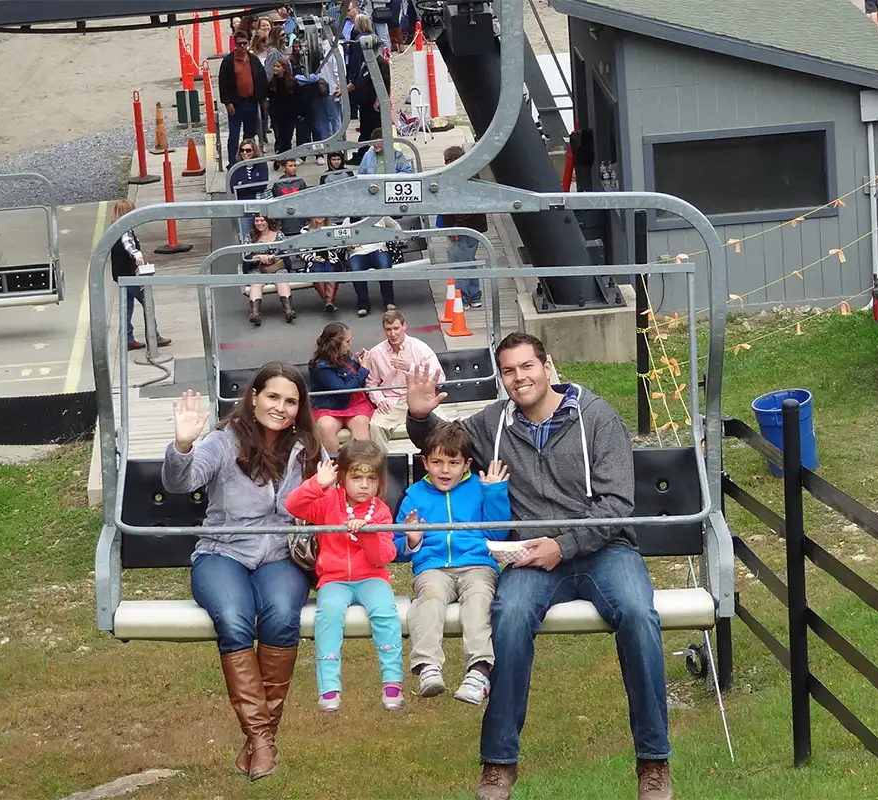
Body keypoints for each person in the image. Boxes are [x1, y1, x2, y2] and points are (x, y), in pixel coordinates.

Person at [404, 332, 674, 800]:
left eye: (527, 367)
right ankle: (499, 763)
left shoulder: (597, 418)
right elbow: (443, 448)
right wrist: (420, 415)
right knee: (507, 617)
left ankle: (653, 761)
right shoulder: (494, 424)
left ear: (548, 367)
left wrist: (563, 545)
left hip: (604, 548)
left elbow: (616, 506)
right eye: (508, 371)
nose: (518, 378)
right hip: (529, 553)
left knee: (637, 612)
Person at [161, 364, 323, 783]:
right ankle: (262, 738)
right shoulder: (223, 440)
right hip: (223, 552)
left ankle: (259, 739)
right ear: (254, 397)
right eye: (273, 397)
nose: (281, 408)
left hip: (280, 555)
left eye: (291, 401)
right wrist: (182, 445)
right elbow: (183, 481)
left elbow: (328, 498)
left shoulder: (306, 448)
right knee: (234, 620)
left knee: (282, 616)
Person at [394, 422, 510, 703]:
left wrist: (494, 493)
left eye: (453, 463)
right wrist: (411, 540)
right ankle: (427, 666)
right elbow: (396, 548)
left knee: (480, 597)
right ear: (425, 462)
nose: (445, 471)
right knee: (429, 598)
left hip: (477, 565)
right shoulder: (414, 496)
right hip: (433, 568)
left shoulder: (478, 490)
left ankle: (479, 669)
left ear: (466, 464)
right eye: (436, 462)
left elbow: (498, 532)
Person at [284, 440, 403, 712]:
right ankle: (329, 688)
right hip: (335, 580)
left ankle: (392, 681)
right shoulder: (327, 502)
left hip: (372, 578)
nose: (364, 485)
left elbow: (383, 557)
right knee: (328, 615)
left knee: (385, 613)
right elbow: (293, 505)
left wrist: (367, 533)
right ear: (342, 477)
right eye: (356, 477)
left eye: (371, 478)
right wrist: (317, 483)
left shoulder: (380, 512)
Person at [364, 310, 443, 450]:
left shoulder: (419, 347)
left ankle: (434, 460)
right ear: (384, 330)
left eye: (396, 328)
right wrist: (379, 399)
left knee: (443, 425)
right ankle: (383, 467)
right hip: (391, 402)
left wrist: (411, 367)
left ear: (404, 326)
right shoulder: (376, 352)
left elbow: (440, 377)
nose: (393, 334)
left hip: (419, 397)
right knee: (375, 427)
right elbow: (371, 382)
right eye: (388, 330)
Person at [109, 199, 171, 352]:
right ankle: (153, 336)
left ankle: (127, 339)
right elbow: (129, 245)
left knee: (127, 307)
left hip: (121, 275)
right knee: (147, 302)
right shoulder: (125, 232)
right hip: (131, 275)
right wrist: (138, 256)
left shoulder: (114, 231)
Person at [309, 322, 375, 455]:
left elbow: (352, 377)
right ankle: (335, 465)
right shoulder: (321, 367)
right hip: (330, 407)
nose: (350, 344)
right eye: (347, 341)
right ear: (336, 344)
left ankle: (360, 463)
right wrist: (363, 370)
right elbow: (343, 390)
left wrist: (357, 363)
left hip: (355, 404)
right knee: (325, 426)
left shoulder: (344, 356)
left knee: (361, 422)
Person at [440, 145, 488, 308]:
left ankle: (462, 298)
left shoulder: (460, 177)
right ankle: (474, 295)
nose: (445, 164)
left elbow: (463, 207)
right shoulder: (471, 173)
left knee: (459, 264)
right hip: (473, 227)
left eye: (447, 161)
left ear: (454, 160)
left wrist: (456, 228)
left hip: (463, 228)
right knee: (469, 260)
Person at [219, 29, 270, 166]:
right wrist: (227, 102)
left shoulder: (253, 60)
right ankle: (232, 164)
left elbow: (261, 79)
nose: (242, 47)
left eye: (244, 43)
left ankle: (249, 162)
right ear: (235, 44)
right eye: (239, 44)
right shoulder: (228, 61)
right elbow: (223, 83)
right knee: (234, 136)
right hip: (236, 104)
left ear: (248, 43)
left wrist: (263, 99)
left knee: (250, 135)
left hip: (251, 102)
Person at [241, 215, 297, 326]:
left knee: (281, 280)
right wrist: (259, 257)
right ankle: (255, 314)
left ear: (268, 222)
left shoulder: (279, 234)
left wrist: (273, 257)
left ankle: (288, 311)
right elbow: (246, 256)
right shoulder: (250, 237)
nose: (259, 223)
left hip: (276, 266)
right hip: (259, 268)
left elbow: (285, 252)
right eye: (257, 221)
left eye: (262, 220)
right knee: (256, 283)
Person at [347, 214, 402, 316]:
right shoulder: (348, 221)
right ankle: (363, 304)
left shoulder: (380, 217)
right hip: (358, 252)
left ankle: (389, 301)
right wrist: (349, 244)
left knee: (384, 265)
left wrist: (397, 239)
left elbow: (395, 225)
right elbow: (341, 237)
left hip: (378, 249)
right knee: (356, 269)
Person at [299, 216, 344, 312]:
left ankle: (328, 302)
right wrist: (313, 258)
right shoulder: (305, 230)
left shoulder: (334, 228)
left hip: (331, 259)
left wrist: (332, 243)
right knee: (317, 271)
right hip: (314, 261)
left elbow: (340, 249)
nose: (319, 217)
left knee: (331, 269)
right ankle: (328, 302)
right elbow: (302, 252)